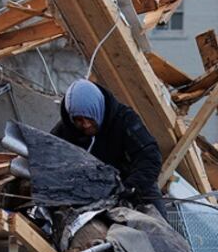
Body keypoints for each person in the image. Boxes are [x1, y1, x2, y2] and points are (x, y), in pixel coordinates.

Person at [52, 78, 167, 217]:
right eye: (79, 120)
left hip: (131, 186)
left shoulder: (125, 120)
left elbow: (150, 157)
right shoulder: (67, 129)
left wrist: (129, 188)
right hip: (89, 189)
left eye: (89, 118)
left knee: (160, 228)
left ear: (97, 108)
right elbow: (48, 153)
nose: (86, 125)